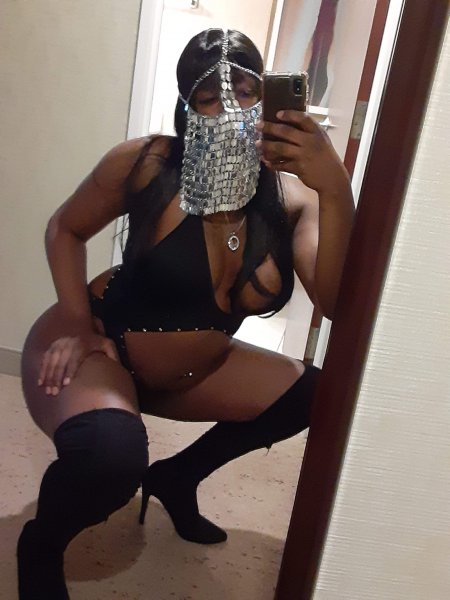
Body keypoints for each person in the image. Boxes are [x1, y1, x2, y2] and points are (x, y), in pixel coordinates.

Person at [17, 28, 354, 599]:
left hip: (193, 371)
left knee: (314, 394)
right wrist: (75, 322)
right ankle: (41, 544)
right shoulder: (146, 163)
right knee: (108, 457)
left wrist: (335, 189)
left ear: (267, 97)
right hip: (103, 340)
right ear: (186, 104)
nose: (230, 109)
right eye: (208, 97)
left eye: (245, 91)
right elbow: (64, 229)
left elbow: (335, 303)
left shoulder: (294, 201)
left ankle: (177, 477)